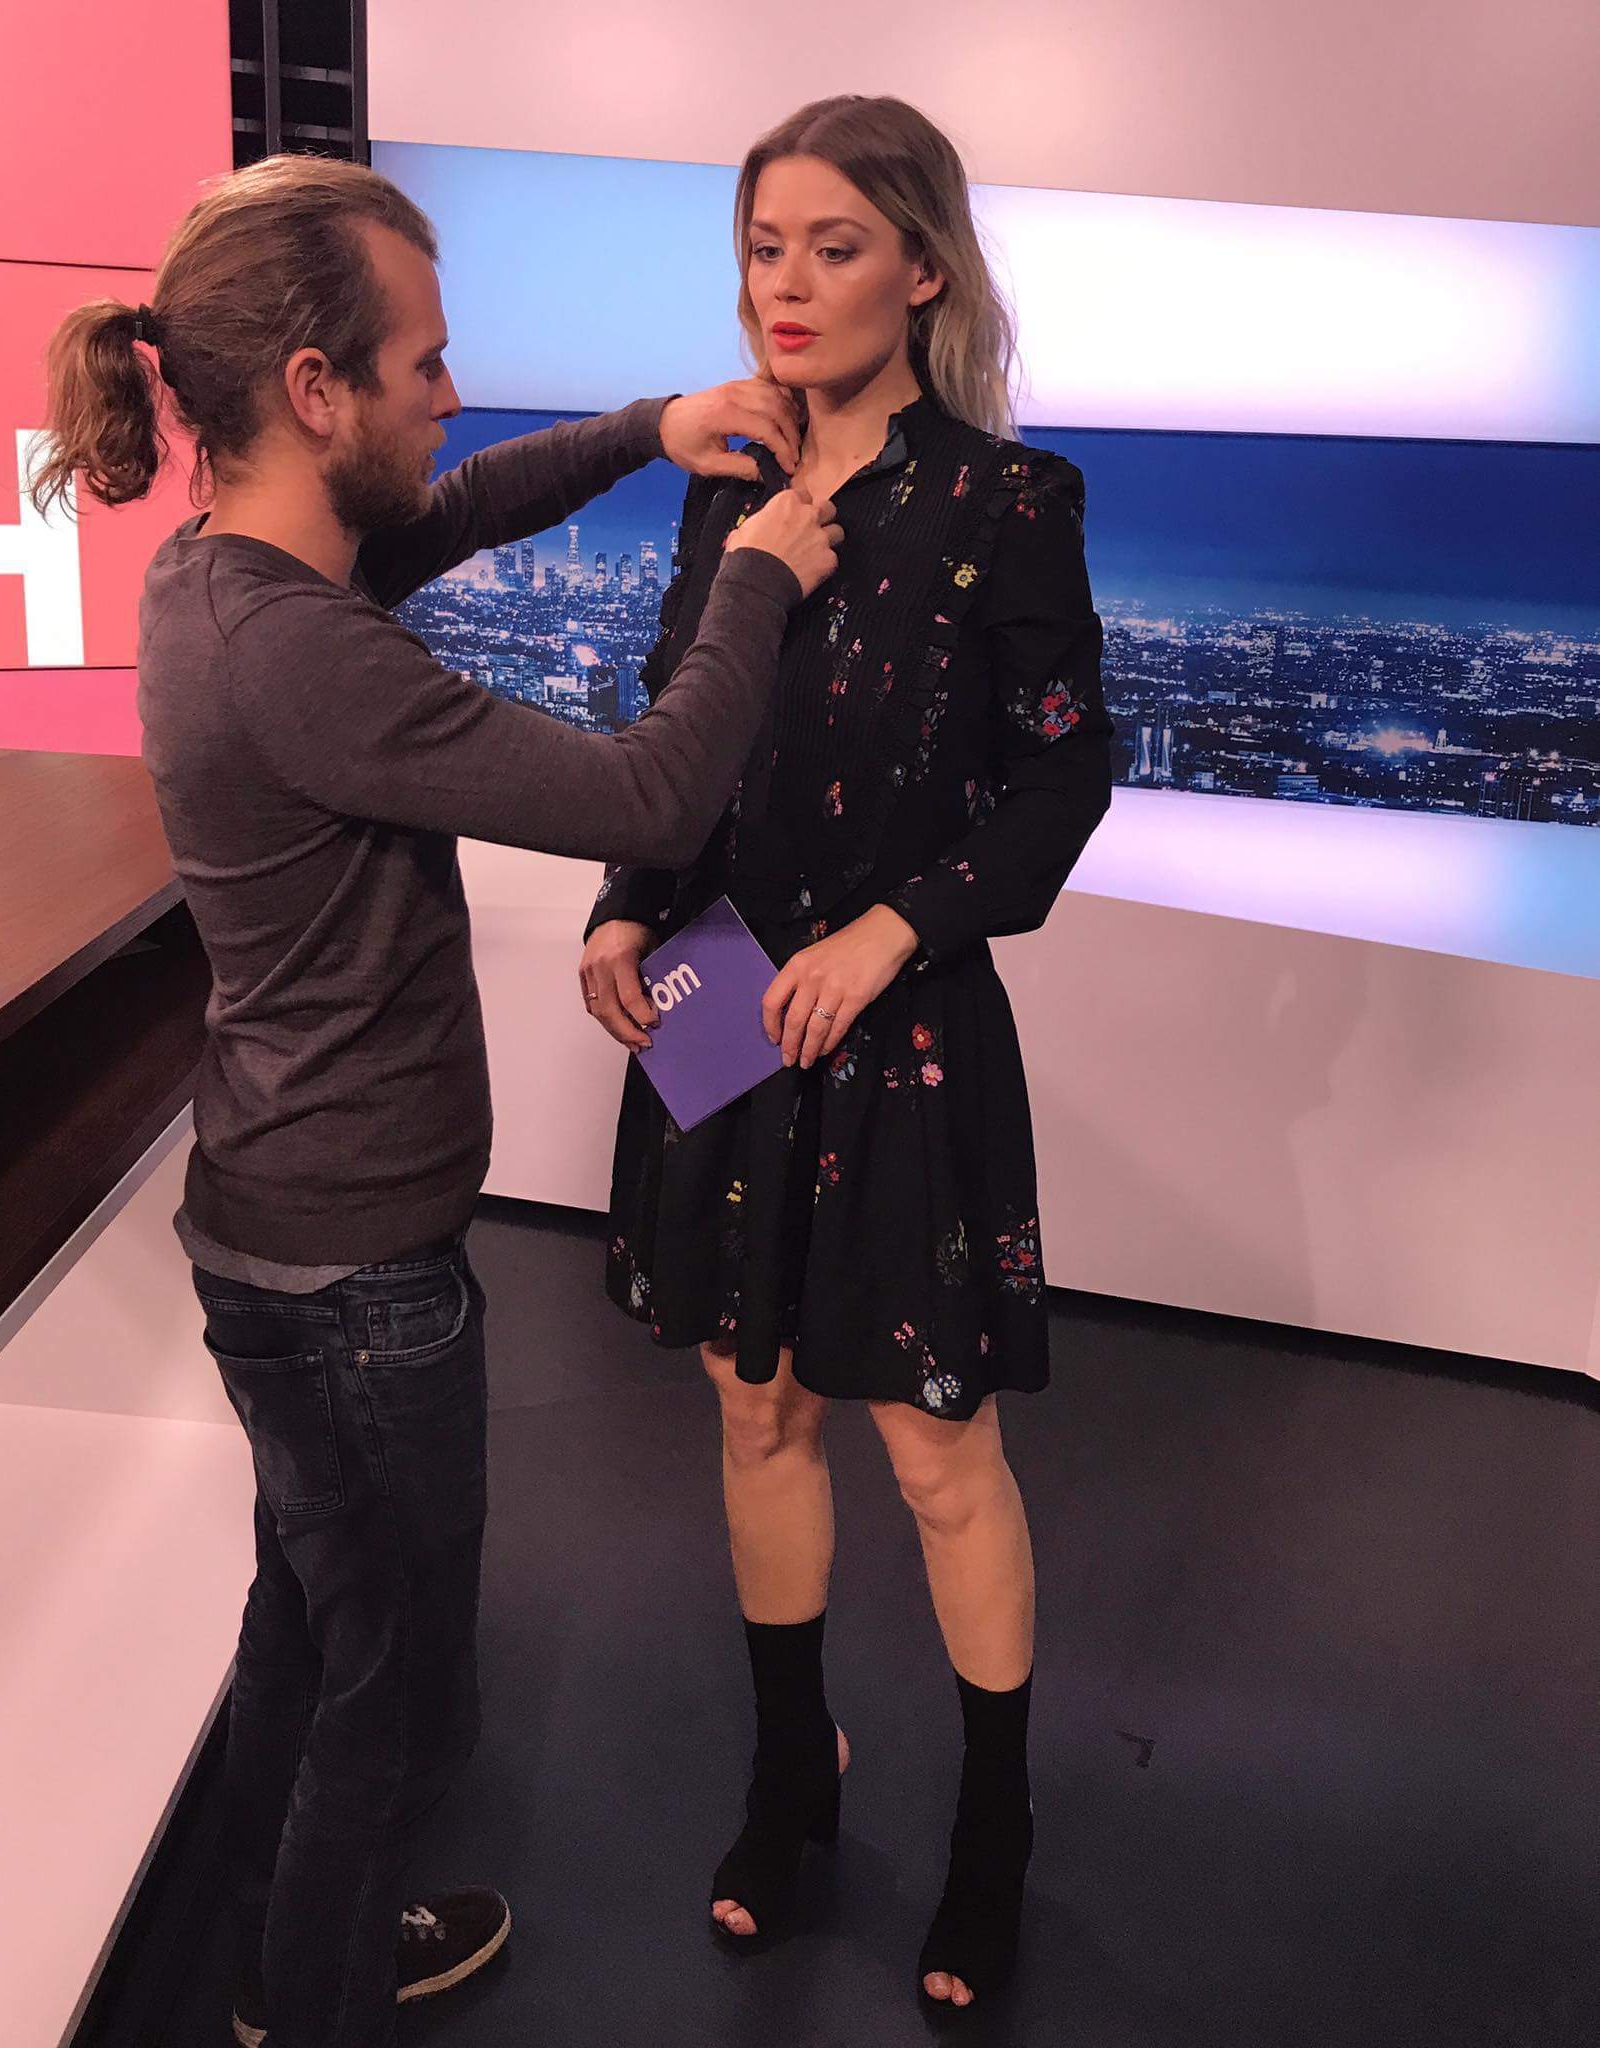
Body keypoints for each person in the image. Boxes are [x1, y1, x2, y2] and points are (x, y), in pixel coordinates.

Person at [31, 153, 840, 2048]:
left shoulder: (229, 574)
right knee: (392, 1703)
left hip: (283, 1239)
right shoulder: (300, 654)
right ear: (316, 389)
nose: (451, 398)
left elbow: (456, 508)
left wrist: (649, 428)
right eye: (424, 364)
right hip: (354, 1285)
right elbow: (649, 794)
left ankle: (276, 1961)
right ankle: (313, 1997)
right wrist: (756, 575)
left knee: (312, 1631)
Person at [578, 96, 1113, 2011]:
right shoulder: (728, 483)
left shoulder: (1007, 501)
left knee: (939, 1450)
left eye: (832, 245)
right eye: (763, 247)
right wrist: (625, 906)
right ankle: (792, 1772)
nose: (785, 286)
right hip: (725, 995)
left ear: (924, 270)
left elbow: (1063, 776)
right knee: (753, 1405)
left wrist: (897, 930)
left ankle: (993, 1828)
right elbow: (684, 726)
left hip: (900, 1023)